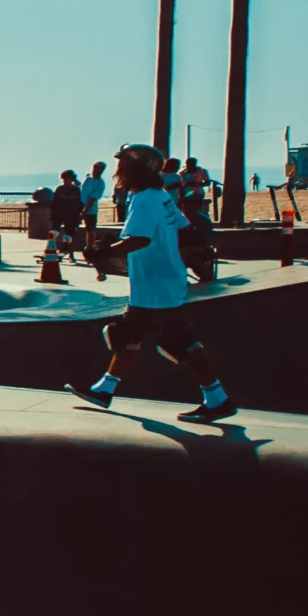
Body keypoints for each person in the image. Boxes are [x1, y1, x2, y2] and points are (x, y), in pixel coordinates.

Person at [66, 145, 237, 424]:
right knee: (126, 335)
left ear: (137, 168)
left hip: (158, 284)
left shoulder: (145, 199)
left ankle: (218, 399)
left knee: (178, 341)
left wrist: (105, 252)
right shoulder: (160, 196)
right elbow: (183, 229)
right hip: (156, 281)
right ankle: (104, 390)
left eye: (122, 164)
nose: (117, 170)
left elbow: (140, 239)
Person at [51, 171, 84, 251]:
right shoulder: (59, 189)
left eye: (66, 179)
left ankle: (68, 252)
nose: (65, 181)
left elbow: (79, 203)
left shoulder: (76, 190)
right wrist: (53, 214)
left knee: (69, 235)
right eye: (63, 179)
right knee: (54, 232)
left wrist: (79, 215)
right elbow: (54, 203)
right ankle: (51, 249)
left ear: (71, 179)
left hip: (71, 215)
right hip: (59, 214)